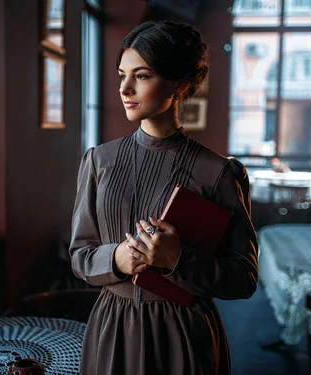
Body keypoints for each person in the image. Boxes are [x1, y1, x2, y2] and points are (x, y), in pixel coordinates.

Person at [69, 20, 258, 375]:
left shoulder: (219, 173)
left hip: (184, 333)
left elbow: (244, 278)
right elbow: (80, 256)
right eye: (122, 74)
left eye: (141, 75)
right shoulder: (98, 161)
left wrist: (178, 259)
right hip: (112, 328)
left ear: (180, 85)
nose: (125, 88)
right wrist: (117, 258)